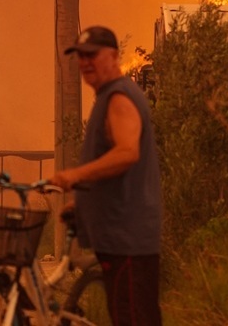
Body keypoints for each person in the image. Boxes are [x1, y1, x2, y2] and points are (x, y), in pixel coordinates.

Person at [49, 25, 163, 326]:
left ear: (113, 56)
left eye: (92, 55)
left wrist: (75, 176)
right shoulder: (108, 97)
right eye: (80, 56)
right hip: (120, 239)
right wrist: (84, 204)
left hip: (128, 241)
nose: (85, 62)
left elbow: (127, 153)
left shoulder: (119, 98)